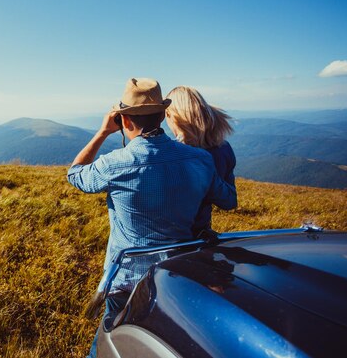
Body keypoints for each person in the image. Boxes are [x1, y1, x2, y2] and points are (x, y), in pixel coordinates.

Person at [67, 78, 237, 358]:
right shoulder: (200, 159)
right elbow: (227, 199)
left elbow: (75, 174)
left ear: (125, 120)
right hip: (178, 271)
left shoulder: (116, 163)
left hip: (127, 277)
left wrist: (102, 132)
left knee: (109, 339)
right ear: (162, 116)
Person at [164, 86, 236, 238]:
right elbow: (229, 201)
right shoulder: (223, 149)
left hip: (169, 238)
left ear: (172, 115)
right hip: (200, 234)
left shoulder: (173, 153)